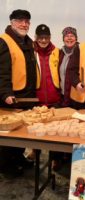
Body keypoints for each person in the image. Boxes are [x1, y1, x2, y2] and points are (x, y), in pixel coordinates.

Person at [0, 9, 38, 175]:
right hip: (12, 96)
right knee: (9, 134)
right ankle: (6, 166)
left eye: (27, 21)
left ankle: (18, 159)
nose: (24, 24)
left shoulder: (27, 41)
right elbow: (2, 71)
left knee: (21, 131)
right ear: (12, 22)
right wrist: (6, 93)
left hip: (26, 95)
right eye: (20, 21)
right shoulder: (4, 41)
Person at [27, 24, 61, 161]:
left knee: (55, 133)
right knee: (36, 130)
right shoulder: (30, 52)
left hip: (55, 98)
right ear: (35, 38)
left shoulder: (57, 52)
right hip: (38, 99)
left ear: (50, 37)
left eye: (46, 37)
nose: (43, 40)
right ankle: (35, 152)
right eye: (40, 37)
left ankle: (55, 159)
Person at [51, 27, 79, 171]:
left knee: (72, 129)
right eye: (67, 36)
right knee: (58, 129)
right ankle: (56, 158)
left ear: (76, 38)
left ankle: (70, 157)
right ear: (63, 38)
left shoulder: (80, 53)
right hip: (60, 97)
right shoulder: (58, 53)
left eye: (72, 36)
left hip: (74, 98)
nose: (69, 38)